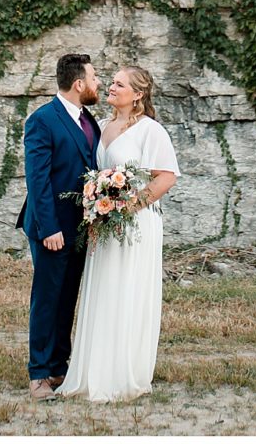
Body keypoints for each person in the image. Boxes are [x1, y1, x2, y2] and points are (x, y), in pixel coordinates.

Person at [57, 65, 179, 403]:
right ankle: (93, 370)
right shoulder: (103, 127)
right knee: (104, 290)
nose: (111, 87)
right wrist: (98, 203)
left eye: (119, 84)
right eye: (110, 82)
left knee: (127, 290)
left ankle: (123, 373)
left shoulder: (150, 131)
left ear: (137, 94)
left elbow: (166, 177)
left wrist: (126, 207)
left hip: (135, 225)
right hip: (105, 224)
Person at [16, 52, 101, 401]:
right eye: (94, 79)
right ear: (79, 83)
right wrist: (50, 228)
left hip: (80, 228)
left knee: (67, 299)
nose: (98, 84)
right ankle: (38, 374)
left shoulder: (88, 120)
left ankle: (58, 366)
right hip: (51, 228)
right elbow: (37, 180)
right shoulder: (43, 120)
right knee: (47, 299)